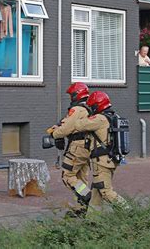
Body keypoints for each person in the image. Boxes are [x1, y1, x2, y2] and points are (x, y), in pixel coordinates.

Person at [74, 91, 127, 214]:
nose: (91, 109)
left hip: (102, 161)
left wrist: (79, 113)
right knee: (96, 193)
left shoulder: (99, 119)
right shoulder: (114, 116)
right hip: (111, 159)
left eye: (92, 106)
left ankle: (129, 212)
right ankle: (93, 221)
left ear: (97, 105)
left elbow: (79, 125)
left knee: (105, 191)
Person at [51, 82, 92, 215]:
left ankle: (86, 195)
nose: (70, 98)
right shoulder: (89, 108)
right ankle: (83, 208)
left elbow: (67, 128)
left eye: (71, 95)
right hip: (87, 146)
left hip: (77, 146)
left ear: (76, 95)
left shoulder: (77, 109)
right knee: (81, 177)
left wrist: (55, 133)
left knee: (67, 176)